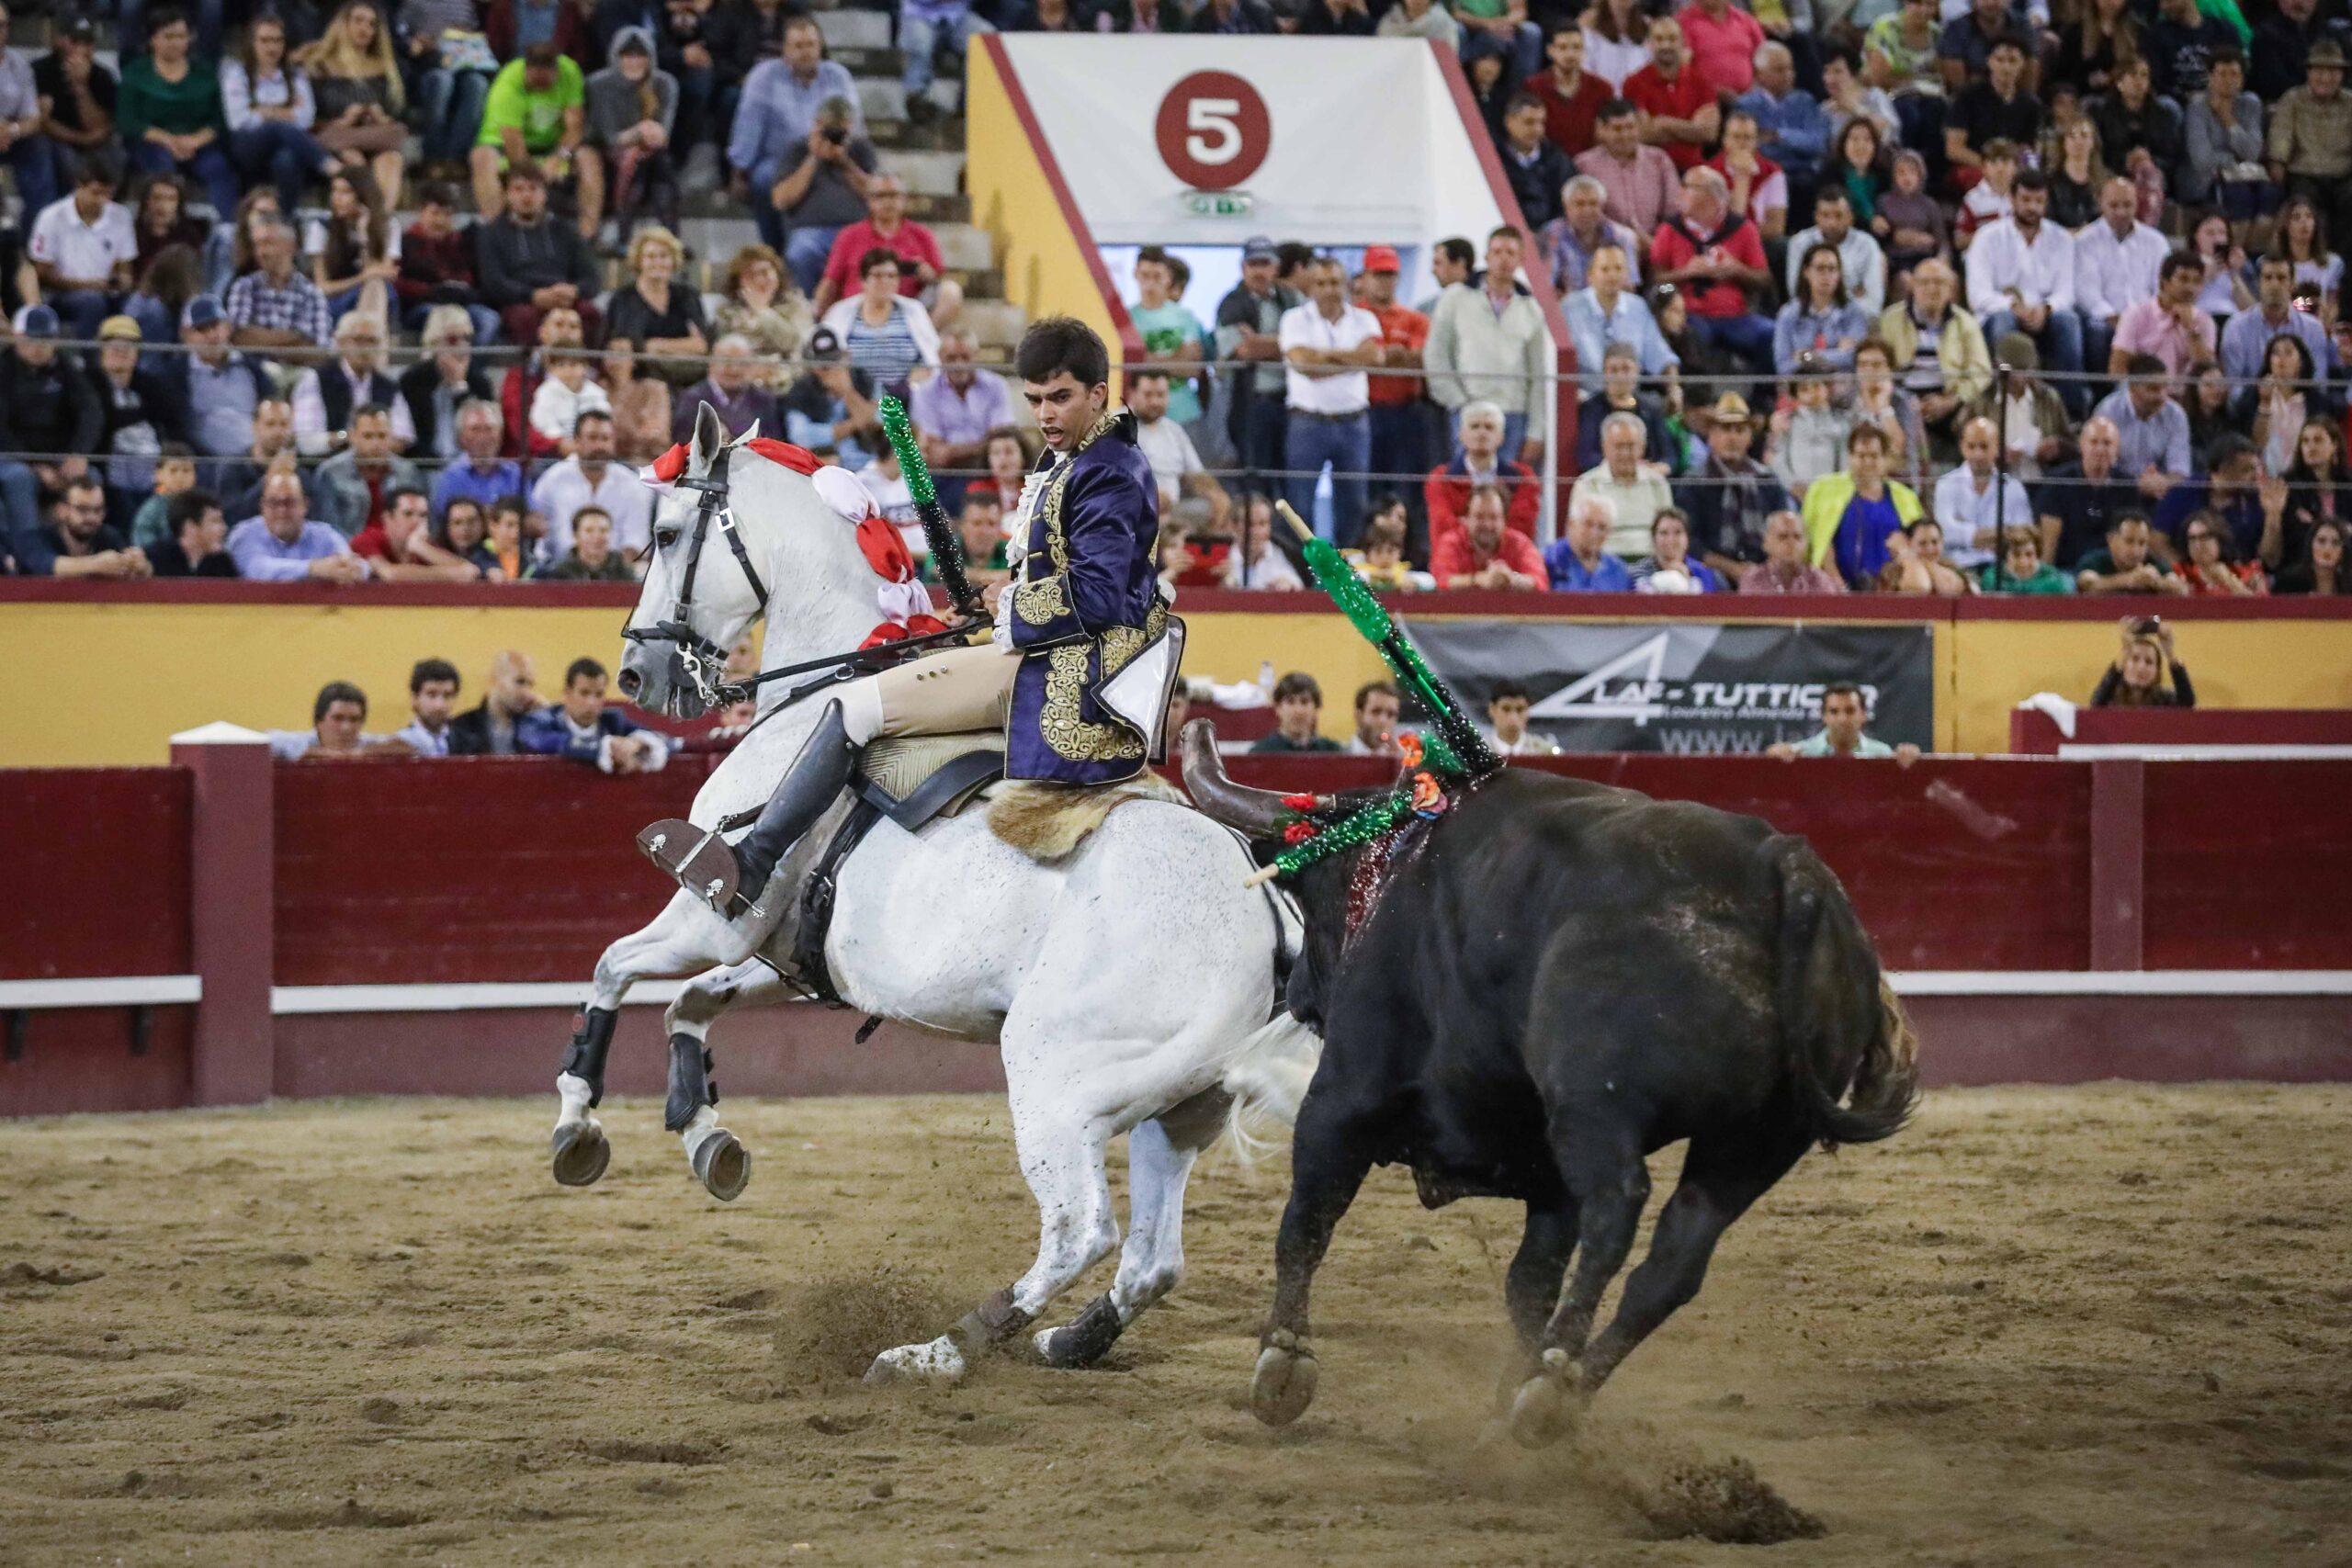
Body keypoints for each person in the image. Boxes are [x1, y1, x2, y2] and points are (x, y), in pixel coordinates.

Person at [649, 317, 1177, 916]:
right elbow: (1067, 573)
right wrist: (996, 595)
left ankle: (753, 865)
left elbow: (1099, 595)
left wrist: (1006, 603)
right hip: (1055, 652)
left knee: (855, 705)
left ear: (1098, 393)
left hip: (1064, 672)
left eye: (1061, 397)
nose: (1046, 414)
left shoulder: (1102, 469)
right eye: (1034, 399)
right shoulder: (1088, 457)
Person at [1274, 254, 1381, 546]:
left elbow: (1374, 357)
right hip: (1308, 421)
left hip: (1353, 421)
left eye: (1334, 282)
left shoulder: (1364, 318)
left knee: (1354, 503)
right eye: (1321, 283)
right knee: (1299, 503)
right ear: (1311, 287)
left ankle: (1347, 574)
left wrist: (1324, 360)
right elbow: (1302, 364)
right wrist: (1349, 359)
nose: (1328, 289)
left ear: (1345, 285)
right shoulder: (1294, 319)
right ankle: (1302, 574)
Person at [1425, 226, 1550, 466]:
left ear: (1521, 260)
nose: (1503, 258)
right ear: (1486, 257)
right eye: (1497, 251)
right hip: (1467, 409)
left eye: (1510, 253)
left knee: (1506, 491)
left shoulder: (1532, 308)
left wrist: (1536, 431)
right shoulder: (1455, 298)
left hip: (1514, 413)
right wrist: (1458, 402)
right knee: (1465, 488)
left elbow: (1539, 375)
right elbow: (1436, 355)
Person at [1965, 171, 2086, 415]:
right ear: (2012, 199)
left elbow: (2067, 292)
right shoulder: (1987, 238)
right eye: (2026, 200)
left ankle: (2070, 414)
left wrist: (2046, 308)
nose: (2032, 208)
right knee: (2003, 321)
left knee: (2069, 321)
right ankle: (2002, 408)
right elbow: (1978, 295)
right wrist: (2013, 307)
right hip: (2002, 315)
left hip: (2046, 316)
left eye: (2039, 201)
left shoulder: (2061, 239)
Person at [1649, 165, 1776, 375]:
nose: (1680, 193)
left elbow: (1764, 279)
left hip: (1735, 316)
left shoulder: (1743, 229)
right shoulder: (1669, 230)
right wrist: (1686, 273)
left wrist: (1737, 269)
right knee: (1692, 335)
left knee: (1769, 333)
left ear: (1710, 196)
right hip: (1690, 314)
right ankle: (1700, 400)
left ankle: (1762, 399)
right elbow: (1656, 282)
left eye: (1688, 187)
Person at [119, 7, 238, 219]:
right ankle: (169, 226)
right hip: (152, 145)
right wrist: (169, 141)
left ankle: (228, 227)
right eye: (168, 36)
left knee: (218, 168)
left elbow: (218, 122)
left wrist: (193, 141)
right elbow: (127, 122)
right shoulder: (135, 72)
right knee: (162, 168)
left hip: (197, 145)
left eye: (181, 36)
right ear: (153, 39)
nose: (176, 42)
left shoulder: (205, 73)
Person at [472, 42, 599, 242]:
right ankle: (497, 231)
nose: (540, 85)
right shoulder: (508, 84)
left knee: (589, 157)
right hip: (506, 144)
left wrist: (559, 158)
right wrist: (535, 178)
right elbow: (513, 141)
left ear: (555, 71)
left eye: (546, 79)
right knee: (481, 157)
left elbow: (574, 126)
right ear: (527, 69)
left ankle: (587, 236)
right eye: (535, 79)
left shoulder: (569, 72)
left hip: (552, 144)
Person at [297, 0, 408, 214]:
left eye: (371, 24)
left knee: (392, 159)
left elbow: (398, 115)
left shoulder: (385, 68)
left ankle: (379, 223)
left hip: (373, 137)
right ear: (343, 24)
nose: (365, 29)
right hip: (335, 138)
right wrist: (343, 121)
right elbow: (308, 118)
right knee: (352, 157)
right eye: (358, 21)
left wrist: (380, 116)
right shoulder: (319, 65)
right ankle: (363, 219)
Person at [476, 164, 602, 347]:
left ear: (544, 194)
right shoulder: (492, 234)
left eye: (533, 189)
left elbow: (592, 279)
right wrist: (533, 295)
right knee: (523, 317)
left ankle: (585, 370)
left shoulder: (565, 231)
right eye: (519, 189)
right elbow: (493, 283)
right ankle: (534, 371)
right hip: (522, 301)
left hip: (563, 298)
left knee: (589, 314)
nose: (527, 196)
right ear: (507, 195)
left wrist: (574, 291)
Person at [814, 169, 959, 326]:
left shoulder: (922, 235)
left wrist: (925, 273)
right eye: (880, 196)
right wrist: (819, 314)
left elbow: (938, 279)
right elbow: (830, 282)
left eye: (894, 195)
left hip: (909, 314)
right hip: (859, 312)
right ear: (869, 200)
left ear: (904, 199)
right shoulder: (849, 235)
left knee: (951, 291)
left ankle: (923, 341)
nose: (888, 202)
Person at [759, 94, 876, 288]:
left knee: (871, 257)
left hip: (856, 229)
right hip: (809, 231)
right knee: (801, 253)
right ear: (817, 124)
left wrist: (845, 162)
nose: (836, 137)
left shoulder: (860, 149)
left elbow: (873, 194)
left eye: (842, 130)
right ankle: (809, 311)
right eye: (831, 129)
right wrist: (813, 158)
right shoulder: (798, 149)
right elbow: (781, 200)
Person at [1679, 390, 1790, 577]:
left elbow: (1783, 532)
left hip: (1764, 570)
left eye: (1739, 430)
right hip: (1710, 571)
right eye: (1725, 429)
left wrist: (1761, 571)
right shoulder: (1694, 482)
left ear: (1750, 437)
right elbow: (1689, 540)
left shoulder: (1767, 480)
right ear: (1711, 435)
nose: (1732, 437)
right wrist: (1731, 569)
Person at [28, 154, 137, 343]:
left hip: (106, 292)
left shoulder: (121, 216)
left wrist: (122, 281)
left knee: (138, 304)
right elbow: (42, 273)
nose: (102, 200)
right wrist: (88, 286)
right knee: (91, 302)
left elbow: (125, 267)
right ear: (78, 186)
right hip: (60, 295)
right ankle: (87, 360)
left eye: (108, 194)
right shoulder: (51, 217)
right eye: (96, 193)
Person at [587, 28, 679, 243]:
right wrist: (639, 131)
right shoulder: (598, 84)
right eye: (628, 55)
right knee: (640, 163)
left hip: (650, 155)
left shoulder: (664, 84)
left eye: (640, 55)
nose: (634, 61)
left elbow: (663, 134)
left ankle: (667, 235)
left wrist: (647, 134)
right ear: (616, 57)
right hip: (606, 154)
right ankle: (626, 233)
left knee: (657, 164)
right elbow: (608, 137)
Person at [1804, 423, 1925, 586]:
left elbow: (1919, 544)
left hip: (1893, 593)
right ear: (1850, 457)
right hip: (1837, 590)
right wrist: (1835, 584)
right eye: (1861, 456)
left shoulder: (1906, 498)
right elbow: (1815, 541)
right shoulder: (1823, 490)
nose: (1867, 462)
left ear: (1885, 458)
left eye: (1874, 456)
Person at [534, 407, 653, 566]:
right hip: (559, 576)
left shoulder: (631, 484)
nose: (599, 446)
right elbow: (540, 537)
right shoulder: (552, 480)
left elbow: (635, 545)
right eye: (592, 438)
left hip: (617, 577)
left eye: (605, 439)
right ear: (576, 441)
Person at [2267, 42, 2352, 258]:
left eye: (2333, 71)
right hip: (2304, 173)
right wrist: (2278, 160)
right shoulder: (2293, 99)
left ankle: (2340, 267)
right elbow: (2281, 133)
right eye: (2320, 71)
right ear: (2309, 72)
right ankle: (2311, 262)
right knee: (2306, 207)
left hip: (2343, 174)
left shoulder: (2349, 102)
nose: (2326, 78)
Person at [522, 657, 673, 772]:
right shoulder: (542, 720)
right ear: (567, 693)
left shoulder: (613, 721)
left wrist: (637, 744)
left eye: (599, 694)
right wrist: (605, 746)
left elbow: (668, 741)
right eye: (584, 693)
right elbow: (536, 739)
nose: (591, 702)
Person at [605, 224, 709, 389]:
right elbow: (623, 346)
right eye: (651, 257)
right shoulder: (623, 298)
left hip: (686, 376)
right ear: (639, 261)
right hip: (640, 378)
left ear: (673, 260)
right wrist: (680, 346)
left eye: (664, 256)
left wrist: (654, 345)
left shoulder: (687, 295)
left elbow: (700, 345)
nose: (658, 262)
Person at [820, 249, 941, 391]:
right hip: (853, 395)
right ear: (863, 281)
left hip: (903, 396)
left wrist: (915, 381)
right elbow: (825, 358)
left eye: (891, 276)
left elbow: (930, 357)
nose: (885, 281)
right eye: (877, 275)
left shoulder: (914, 311)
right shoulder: (840, 312)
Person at [290, 310, 408, 456]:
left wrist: (367, 444)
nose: (365, 347)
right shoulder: (316, 379)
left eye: (371, 341)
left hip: (378, 466)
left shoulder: (388, 386)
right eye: (358, 340)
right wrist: (347, 437)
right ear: (340, 343)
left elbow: (402, 438)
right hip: (327, 467)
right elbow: (306, 442)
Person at [1565, 242, 1676, 390]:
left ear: (1627, 274)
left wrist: (1674, 387)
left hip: (1631, 397)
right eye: (1605, 269)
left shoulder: (1638, 307)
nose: (1612, 275)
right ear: (1590, 276)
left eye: (1618, 268)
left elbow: (1660, 356)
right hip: (1585, 398)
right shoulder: (1569, 307)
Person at [1576, 96, 1684, 247]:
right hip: (1605, 248)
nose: (1625, 135)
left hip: (1657, 244)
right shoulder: (1584, 165)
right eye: (1617, 129)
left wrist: (1657, 243)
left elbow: (1674, 209)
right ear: (1602, 130)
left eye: (1630, 127)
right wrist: (1625, 238)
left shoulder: (1658, 159)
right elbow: (1585, 213)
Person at [2035, 414, 2140, 570]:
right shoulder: (2057, 481)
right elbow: (2048, 546)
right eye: (2094, 442)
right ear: (2081, 445)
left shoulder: (2127, 486)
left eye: (2107, 443)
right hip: (2067, 569)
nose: (2100, 449)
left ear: (2116, 449)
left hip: (2112, 570)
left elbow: (2134, 537)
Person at [228, 470, 370, 581]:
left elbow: (357, 566)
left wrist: (352, 569)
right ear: (262, 507)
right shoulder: (245, 534)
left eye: (289, 503)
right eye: (273, 503)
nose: (281, 510)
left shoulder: (325, 535)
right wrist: (313, 568)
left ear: (305, 505)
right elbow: (257, 570)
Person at [397, 304, 497, 464]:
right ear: (435, 342)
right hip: (424, 464)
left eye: (467, 338)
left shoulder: (479, 381)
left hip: (468, 463)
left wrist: (460, 387)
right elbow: (413, 437)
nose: (462, 346)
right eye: (453, 340)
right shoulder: (414, 379)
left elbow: (484, 432)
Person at [1570, 410, 1675, 556]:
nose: (1625, 454)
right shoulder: (1587, 484)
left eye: (1631, 446)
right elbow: (1577, 538)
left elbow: (1670, 533)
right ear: (1604, 447)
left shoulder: (1657, 483)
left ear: (1642, 448)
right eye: (1619, 446)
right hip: (1604, 564)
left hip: (1651, 564)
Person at [312, 401, 422, 537]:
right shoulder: (330, 473)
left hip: (397, 551)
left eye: (382, 436)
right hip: (348, 552)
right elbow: (328, 528)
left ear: (391, 436)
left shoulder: (408, 472)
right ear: (353, 436)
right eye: (368, 436)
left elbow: (420, 522)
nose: (376, 444)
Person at [2220, 254, 2332, 385]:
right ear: (2258, 283)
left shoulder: (2313, 329)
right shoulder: (2236, 327)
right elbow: (2234, 386)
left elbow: (2317, 383)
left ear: (2292, 285)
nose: (2274, 284)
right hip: (2251, 403)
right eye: (2268, 278)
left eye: (2281, 278)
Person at [224, 215, 332, 352]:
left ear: (290, 246)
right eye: (256, 245)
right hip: (252, 371)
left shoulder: (312, 294)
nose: (260, 252)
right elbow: (238, 338)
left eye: (267, 243)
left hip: (300, 372)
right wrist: (297, 338)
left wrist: (259, 339)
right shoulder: (244, 287)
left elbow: (320, 351)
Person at [308, 166, 399, 324]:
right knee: (373, 288)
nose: (337, 198)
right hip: (335, 301)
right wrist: (361, 278)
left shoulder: (389, 225)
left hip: (374, 295)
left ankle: (371, 339)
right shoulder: (321, 227)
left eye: (346, 192)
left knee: (380, 288)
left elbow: (383, 274)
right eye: (334, 190)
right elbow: (322, 287)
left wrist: (364, 235)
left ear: (363, 195)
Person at [1785, 186, 1887, 319]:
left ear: (1850, 217)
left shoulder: (1867, 245)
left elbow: (1874, 303)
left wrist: (1821, 294)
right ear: (1816, 217)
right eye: (1825, 215)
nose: (1832, 223)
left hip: (1856, 322)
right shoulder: (1799, 243)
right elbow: (1797, 296)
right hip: (1810, 320)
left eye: (1839, 216)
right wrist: (1852, 293)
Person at [1777, 241, 1871, 375]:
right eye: (1820, 268)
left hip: (1843, 387)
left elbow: (1853, 358)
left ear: (1839, 274)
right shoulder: (1788, 314)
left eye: (1832, 269)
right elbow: (1783, 366)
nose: (1826, 275)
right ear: (1806, 272)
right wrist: (1837, 353)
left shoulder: (1854, 312)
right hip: (1803, 388)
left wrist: (1807, 357)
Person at [351, 482, 481, 580]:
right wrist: (450, 574)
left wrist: (421, 548)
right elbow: (389, 574)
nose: (417, 521)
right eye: (408, 514)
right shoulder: (366, 540)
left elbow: (471, 572)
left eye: (422, 515)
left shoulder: (423, 545)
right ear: (388, 518)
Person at [710, 241, 811, 363]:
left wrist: (763, 311)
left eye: (767, 271)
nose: (763, 279)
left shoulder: (796, 305)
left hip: (786, 373)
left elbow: (794, 342)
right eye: (752, 275)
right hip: (741, 373)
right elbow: (726, 349)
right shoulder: (726, 312)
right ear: (740, 281)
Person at [1433, 482, 1546, 589]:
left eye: (1493, 517)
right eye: (1479, 517)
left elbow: (1540, 582)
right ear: (1466, 519)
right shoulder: (1450, 542)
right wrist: (1479, 579)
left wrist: (1511, 579)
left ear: (1504, 520)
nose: (1487, 525)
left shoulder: (1520, 543)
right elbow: (1440, 582)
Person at [1767, 681, 1920, 759]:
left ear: (1864, 715)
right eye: (1834, 711)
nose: (1842, 719)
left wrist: (1912, 763)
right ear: (1823, 716)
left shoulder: (1883, 755)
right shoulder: (1801, 754)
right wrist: (1773, 758)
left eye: (1850, 710)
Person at [433, 397, 526, 518]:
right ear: (462, 437)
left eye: (489, 429)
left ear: (500, 434)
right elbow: (443, 521)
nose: (483, 437)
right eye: (475, 429)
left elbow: (534, 519)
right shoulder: (451, 475)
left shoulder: (514, 473)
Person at [1529, 21, 1612, 156]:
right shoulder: (1533, 87)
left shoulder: (1602, 89)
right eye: (1563, 48)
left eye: (1576, 47)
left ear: (1584, 51)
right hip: (1549, 164)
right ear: (1550, 51)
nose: (1570, 54)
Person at [268, 681, 408, 761]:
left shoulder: (366, 744)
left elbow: (408, 746)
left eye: (354, 720)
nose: (346, 728)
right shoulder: (302, 741)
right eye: (337, 718)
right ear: (318, 721)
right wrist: (322, 753)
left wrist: (362, 753)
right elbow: (263, 741)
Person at [447, 649, 542, 754]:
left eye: (530, 685)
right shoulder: (462, 728)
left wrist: (547, 717)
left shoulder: (533, 727)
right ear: (494, 680)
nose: (527, 693)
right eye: (520, 682)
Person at [2075, 510, 2190, 594]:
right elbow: (2087, 585)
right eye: (2129, 541)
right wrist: (2127, 580)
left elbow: (2181, 589)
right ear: (2111, 540)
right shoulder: (2093, 561)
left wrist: (2156, 582)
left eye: (2142, 543)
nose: (2136, 550)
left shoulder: (2155, 564)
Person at [2090, 617, 2195, 705]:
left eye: (2149, 662)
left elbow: (2187, 703)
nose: (2141, 667)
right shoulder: (2111, 698)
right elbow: (2096, 704)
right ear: (2124, 665)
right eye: (2135, 659)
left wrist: (2170, 654)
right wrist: (2124, 652)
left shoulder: (2163, 700)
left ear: (2157, 672)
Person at [1739, 507, 1845, 592]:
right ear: (1766, 543)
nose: (1791, 543)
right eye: (1783, 537)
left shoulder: (1819, 580)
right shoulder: (1753, 579)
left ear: (1806, 544)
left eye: (1797, 537)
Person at [1544, 492, 1635, 589]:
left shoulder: (1618, 570)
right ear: (1571, 524)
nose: (1594, 533)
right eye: (1588, 524)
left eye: (1602, 527)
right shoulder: (1547, 560)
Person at [2171, 508, 2269, 595]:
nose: (2198, 545)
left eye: (2204, 537)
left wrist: (2230, 582)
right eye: (2192, 538)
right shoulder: (2181, 573)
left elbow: (2264, 610)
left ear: (2220, 539)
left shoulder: (2249, 571)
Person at [147, 486, 234, 576]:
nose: (224, 528)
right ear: (190, 527)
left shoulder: (223, 563)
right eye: (215, 521)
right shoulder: (156, 559)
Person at [1631, 506, 1722, 591]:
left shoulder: (1706, 576)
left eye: (1678, 532)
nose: (1670, 540)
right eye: (1664, 533)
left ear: (1687, 538)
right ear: (1654, 538)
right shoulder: (1635, 575)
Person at [1250, 672, 1345, 753]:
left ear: (1316, 709)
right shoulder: (1261, 753)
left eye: (1304, 702)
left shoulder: (1333, 752)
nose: (1298, 710)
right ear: (1278, 708)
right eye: (1290, 702)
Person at [541, 502, 635, 580]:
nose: (597, 537)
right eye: (589, 531)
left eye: (603, 530)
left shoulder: (622, 571)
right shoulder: (560, 573)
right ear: (575, 535)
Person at [392, 659, 463, 756]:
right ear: (414, 698)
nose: (439, 705)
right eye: (431, 695)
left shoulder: (469, 745)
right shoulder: (398, 746)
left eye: (447, 696)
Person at [1484, 678, 1560, 755]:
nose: (1513, 717)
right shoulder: (1477, 754)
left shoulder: (1545, 753)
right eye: (1506, 709)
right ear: (1492, 709)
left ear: (1528, 710)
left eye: (1520, 710)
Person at [2275, 515, 2348, 593]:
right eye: (2321, 541)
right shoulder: (2289, 582)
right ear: (2310, 545)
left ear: (2343, 551)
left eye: (2335, 543)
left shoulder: (2349, 585)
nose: (2328, 548)